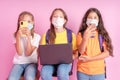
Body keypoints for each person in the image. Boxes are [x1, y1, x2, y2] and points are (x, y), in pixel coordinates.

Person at [76, 8, 113, 80]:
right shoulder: (81, 34)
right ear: (86, 20)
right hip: (82, 71)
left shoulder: (102, 34)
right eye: (90, 17)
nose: (92, 19)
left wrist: (90, 59)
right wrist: (85, 38)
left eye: (95, 17)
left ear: (99, 20)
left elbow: (107, 53)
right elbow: (80, 52)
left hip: (98, 72)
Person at [40, 8, 76, 80]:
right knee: (44, 73)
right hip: (50, 64)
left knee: (62, 72)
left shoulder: (70, 35)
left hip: (65, 63)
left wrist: (72, 57)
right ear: (51, 20)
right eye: (55, 16)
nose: (58, 19)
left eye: (60, 17)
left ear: (65, 20)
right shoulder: (46, 35)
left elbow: (77, 51)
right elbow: (42, 53)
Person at [8, 11, 41, 80]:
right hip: (18, 63)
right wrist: (18, 37)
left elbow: (28, 53)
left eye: (29, 22)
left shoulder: (36, 36)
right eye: (23, 22)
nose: (26, 24)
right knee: (11, 78)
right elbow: (19, 53)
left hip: (31, 63)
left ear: (33, 23)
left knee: (29, 77)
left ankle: (35, 71)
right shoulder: (15, 35)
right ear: (19, 23)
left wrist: (29, 37)